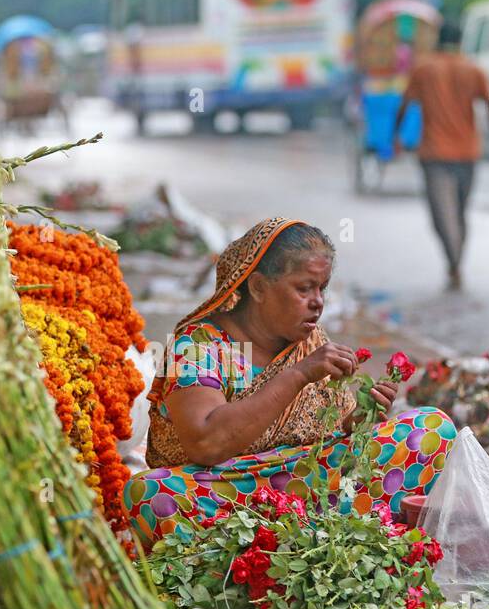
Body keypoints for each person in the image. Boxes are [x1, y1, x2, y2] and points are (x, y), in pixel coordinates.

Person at [123, 218, 457, 550]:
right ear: (257, 288)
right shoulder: (198, 346)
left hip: (308, 488)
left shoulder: (311, 343)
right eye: (304, 288)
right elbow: (205, 444)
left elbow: (328, 445)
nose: (318, 302)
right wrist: (297, 376)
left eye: (322, 288)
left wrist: (360, 421)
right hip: (230, 495)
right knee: (149, 495)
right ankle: (313, 537)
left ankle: (319, 539)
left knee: (431, 429)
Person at [393, 20, 489, 290]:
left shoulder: (423, 69)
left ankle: (454, 262)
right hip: (467, 152)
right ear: (460, 41)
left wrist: (396, 136)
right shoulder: (474, 70)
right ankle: (455, 262)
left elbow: (403, 105)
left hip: (435, 153)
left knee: (443, 214)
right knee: (459, 212)